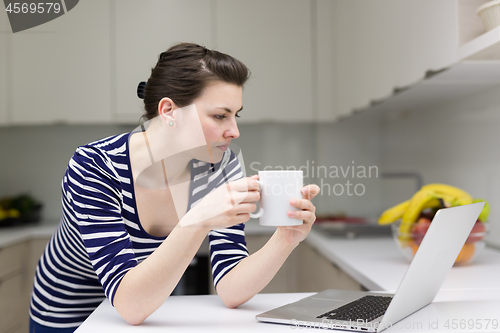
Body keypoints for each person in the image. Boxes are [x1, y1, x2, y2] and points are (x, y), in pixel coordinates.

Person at [29, 43, 320, 332]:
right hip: (70, 312)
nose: (234, 130)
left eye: (236, 115)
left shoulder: (221, 164)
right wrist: (200, 219)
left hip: (149, 308)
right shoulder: (95, 166)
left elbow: (231, 288)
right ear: (169, 111)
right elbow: (129, 304)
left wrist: (285, 239)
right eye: (220, 115)